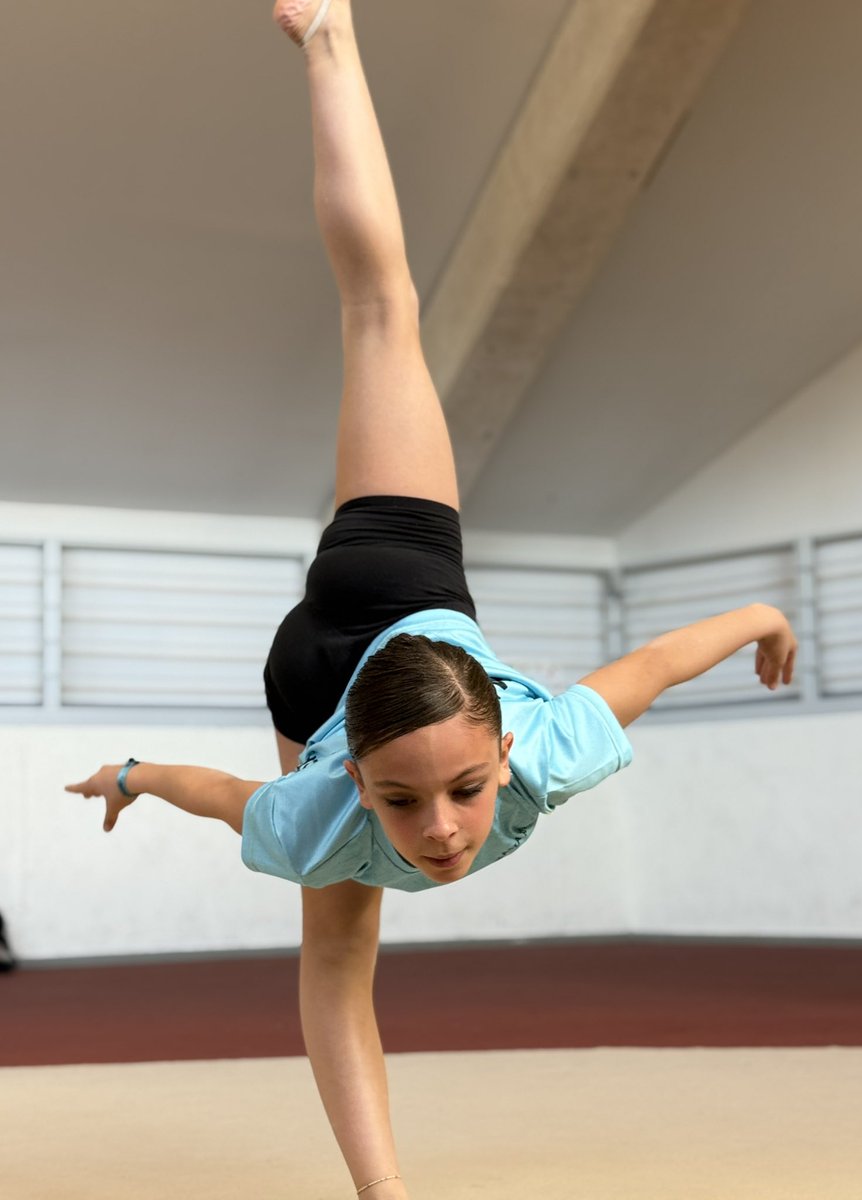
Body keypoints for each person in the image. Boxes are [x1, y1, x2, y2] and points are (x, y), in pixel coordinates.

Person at [67, 2, 798, 1195]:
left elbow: (660, 659)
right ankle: (330, 34)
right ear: (359, 780)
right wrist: (134, 778)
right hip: (389, 586)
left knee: (381, 310)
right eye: (404, 802)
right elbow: (213, 794)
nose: (444, 830)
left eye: (462, 789)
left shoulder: (505, 755)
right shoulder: (340, 806)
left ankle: (329, 34)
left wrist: (765, 617)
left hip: (312, 672)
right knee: (383, 307)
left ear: (503, 750)